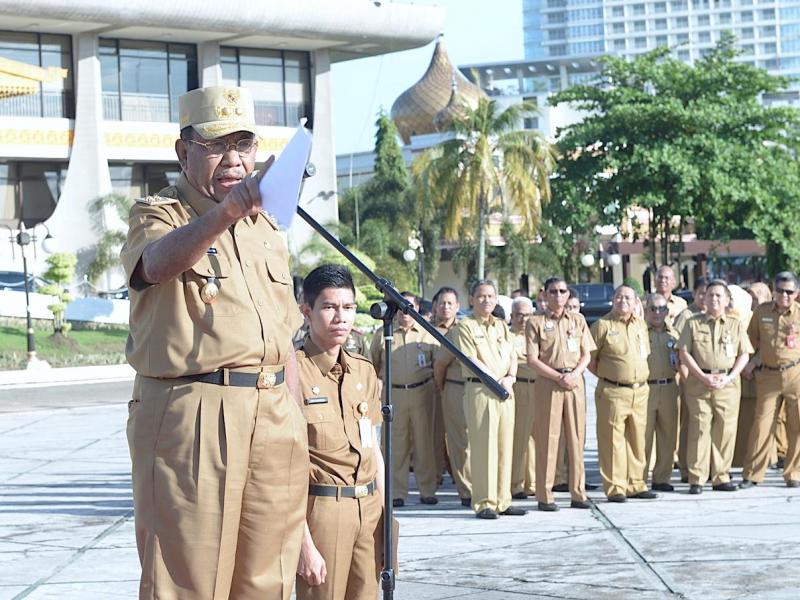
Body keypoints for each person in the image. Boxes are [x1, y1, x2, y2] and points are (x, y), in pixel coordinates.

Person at [121, 86, 309, 599]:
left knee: (266, 578)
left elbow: (285, 341)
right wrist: (225, 212)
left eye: (244, 145)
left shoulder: (266, 224)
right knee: (187, 580)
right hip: (196, 411)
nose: (233, 159)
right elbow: (155, 264)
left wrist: (297, 422)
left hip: (272, 412)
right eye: (216, 145)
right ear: (183, 152)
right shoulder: (158, 213)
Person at [294, 265, 384, 600]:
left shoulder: (363, 370)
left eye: (348, 308)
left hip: (369, 508)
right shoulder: (292, 372)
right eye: (329, 307)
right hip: (323, 512)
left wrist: (386, 518)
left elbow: (373, 449)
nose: (340, 317)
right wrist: (303, 543)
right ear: (307, 311)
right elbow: (287, 467)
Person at [452, 280, 526, 519]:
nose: (486, 300)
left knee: (505, 447)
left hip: (505, 391)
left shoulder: (502, 326)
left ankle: (503, 500)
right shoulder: (464, 327)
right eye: (481, 296)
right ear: (471, 300)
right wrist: (496, 380)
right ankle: (484, 502)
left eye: (491, 296)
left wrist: (511, 377)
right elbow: (471, 359)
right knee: (484, 448)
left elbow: (513, 355)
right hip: (481, 391)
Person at [678, 279, 753, 494]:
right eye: (710, 295)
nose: (713, 299)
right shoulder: (693, 323)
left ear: (728, 300)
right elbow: (684, 353)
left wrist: (729, 378)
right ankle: (697, 478)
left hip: (727, 384)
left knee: (725, 431)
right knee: (699, 430)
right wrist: (702, 376)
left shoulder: (735, 324)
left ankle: (721, 476)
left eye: (719, 295)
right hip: (700, 384)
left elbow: (744, 354)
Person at [527, 277, 594, 511]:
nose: (557, 296)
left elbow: (587, 354)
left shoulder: (578, 320)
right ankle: (545, 495)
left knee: (576, 439)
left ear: (568, 295)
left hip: (575, 382)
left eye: (562, 291)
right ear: (544, 295)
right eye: (553, 291)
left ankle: (578, 493)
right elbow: (532, 359)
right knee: (548, 438)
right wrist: (559, 377)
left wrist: (574, 374)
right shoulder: (535, 322)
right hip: (550, 383)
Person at [369, 292, 439, 507]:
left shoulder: (427, 333)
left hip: (422, 392)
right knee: (395, 444)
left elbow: (438, 365)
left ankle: (427, 490)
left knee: (423, 442)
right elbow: (373, 364)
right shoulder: (384, 334)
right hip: (394, 393)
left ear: (416, 308)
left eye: (409, 307)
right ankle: (397, 492)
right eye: (400, 308)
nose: (404, 313)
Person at [589, 285, 658, 502]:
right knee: (612, 441)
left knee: (638, 439)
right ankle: (615, 487)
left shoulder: (640, 325)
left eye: (628, 297)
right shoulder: (603, 325)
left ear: (636, 302)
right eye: (619, 297)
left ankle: (636, 483)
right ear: (613, 300)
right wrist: (607, 375)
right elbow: (590, 358)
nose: (623, 301)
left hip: (640, 391)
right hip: (613, 390)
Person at [741, 272, 800, 488]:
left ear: (796, 293)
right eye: (780, 291)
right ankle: (752, 474)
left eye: (789, 291)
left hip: (795, 374)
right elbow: (753, 339)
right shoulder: (761, 312)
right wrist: (758, 360)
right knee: (761, 425)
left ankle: (794, 473)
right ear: (773, 292)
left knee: (797, 425)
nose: (784, 295)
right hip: (768, 375)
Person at [432, 287, 472, 507]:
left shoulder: (465, 328)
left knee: (463, 441)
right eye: (442, 303)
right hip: (440, 387)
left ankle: (465, 484)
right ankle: (436, 478)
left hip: (461, 389)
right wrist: (442, 387)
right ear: (436, 306)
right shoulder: (426, 329)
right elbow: (439, 365)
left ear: (458, 306)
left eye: (450, 303)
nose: (446, 307)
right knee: (435, 438)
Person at [643, 294, 680, 492]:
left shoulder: (674, 335)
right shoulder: (639, 332)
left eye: (661, 309)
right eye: (652, 309)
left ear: (667, 312)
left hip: (669, 387)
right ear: (646, 311)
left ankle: (662, 478)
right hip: (646, 388)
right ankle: (639, 479)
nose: (657, 313)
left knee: (668, 435)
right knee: (643, 436)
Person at [733, 282, 772, 468]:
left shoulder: (762, 318)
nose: (752, 297)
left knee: (762, 420)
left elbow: (768, 344)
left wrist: (753, 363)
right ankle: (738, 461)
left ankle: (764, 461)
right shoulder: (734, 318)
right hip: (736, 377)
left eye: (757, 295)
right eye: (750, 294)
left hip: (760, 374)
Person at [673, 277, 707, 481]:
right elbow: (678, 352)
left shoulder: (711, 314)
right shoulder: (686, 315)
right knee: (688, 425)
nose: (705, 297)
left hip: (707, 381)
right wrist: (687, 379)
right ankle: (686, 468)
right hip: (688, 379)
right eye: (701, 293)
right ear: (694, 294)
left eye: (708, 293)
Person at [509, 296, 537, 500]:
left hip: (540, 387)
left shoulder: (539, 335)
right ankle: (516, 483)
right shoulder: (508, 336)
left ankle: (533, 482)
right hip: (519, 386)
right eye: (519, 314)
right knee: (519, 438)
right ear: (511, 316)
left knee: (537, 438)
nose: (523, 319)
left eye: (527, 315)